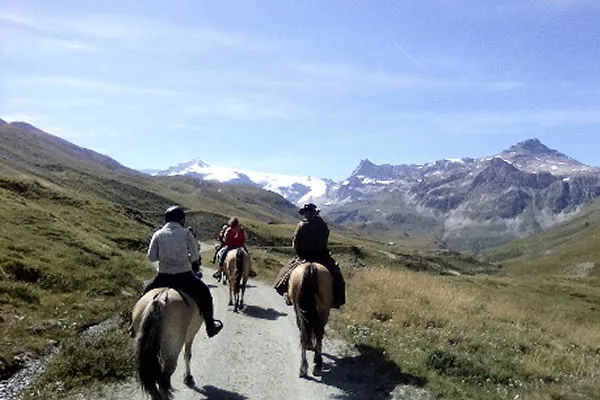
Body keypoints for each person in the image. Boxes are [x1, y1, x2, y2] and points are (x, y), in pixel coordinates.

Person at [142, 205, 223, 338]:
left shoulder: (158, 234)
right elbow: (196, 256)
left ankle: (134, 326)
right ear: (181, 219)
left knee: (145, 293)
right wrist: (184, 259)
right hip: (184, 276)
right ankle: (210, 326)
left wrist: (165, 258)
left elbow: (151, 257)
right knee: (205, 293)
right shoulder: (186, 233)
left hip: (163, 276)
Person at [274, 203, 346, 308]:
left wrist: (299, 251)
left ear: (307, 213)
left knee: (285, 272)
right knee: (336, 274)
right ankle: (337, 299)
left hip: (304, 256)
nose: (305, 214)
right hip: (322, 256)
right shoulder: (323, 224)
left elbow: (295, 242)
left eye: (305, 213)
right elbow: (325, 238)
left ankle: (286, 292)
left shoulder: (302, 224)